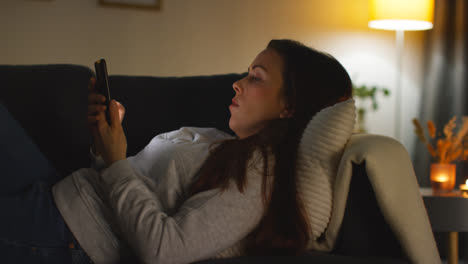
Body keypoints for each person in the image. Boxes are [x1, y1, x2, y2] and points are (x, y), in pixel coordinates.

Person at [0, 39, 352, 264]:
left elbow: (164, 250)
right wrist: (104, 141)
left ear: (289, 105)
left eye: (255, 77)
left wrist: (116, 161)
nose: (237, 83)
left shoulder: (260, 176)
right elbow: (128, 182)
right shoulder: (221, 141)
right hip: (57, 192)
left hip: (64, 234)